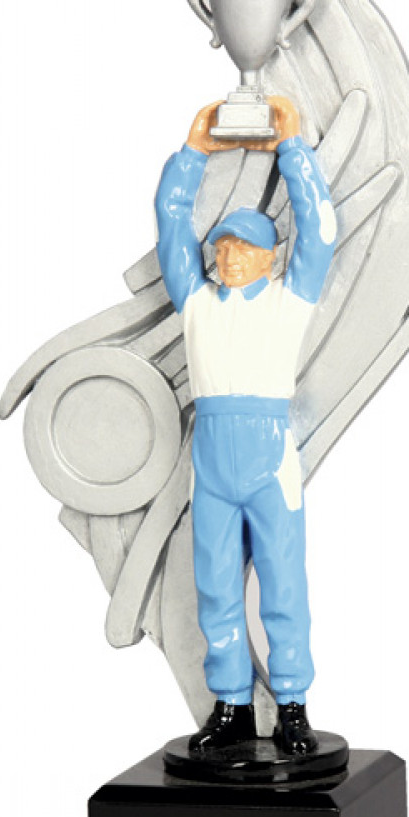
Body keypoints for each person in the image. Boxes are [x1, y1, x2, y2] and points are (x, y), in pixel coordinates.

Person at [155, 98, 337, 756]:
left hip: (268, 457)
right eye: (224, 247)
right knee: (215, 583)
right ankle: (230, 701)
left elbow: (320, 231)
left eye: (246, 248)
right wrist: (192, 152)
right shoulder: (197, 303)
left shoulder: (291, 301)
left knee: (283, 582)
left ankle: (291, 704)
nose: (231, 258)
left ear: (270, 257)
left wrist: (293, 148)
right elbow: (171, 220)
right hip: (211, 458)